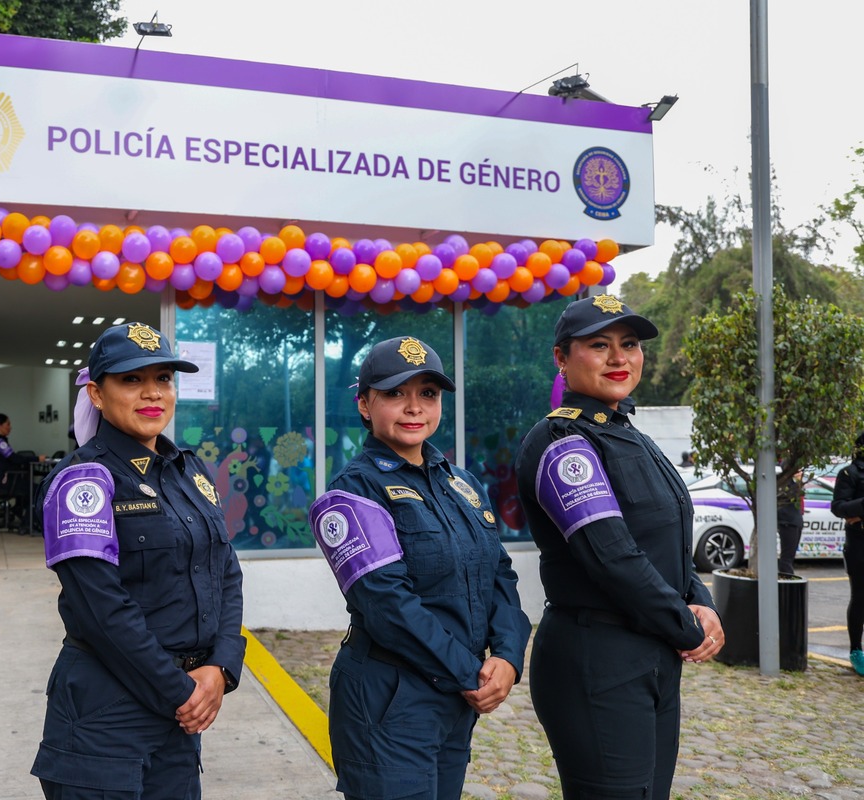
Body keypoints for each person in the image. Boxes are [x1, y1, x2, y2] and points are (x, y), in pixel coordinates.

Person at [514, 294, 724, 800]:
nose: (619, 358)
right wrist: (687, 626)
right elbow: (613, 557)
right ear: (562, 357)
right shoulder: (562, 442)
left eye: (629, 345)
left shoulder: (631, 435)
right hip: (597, 660)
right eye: (599, 345)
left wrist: (701, 599)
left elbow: (666, 538)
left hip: (652, 654)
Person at [308, 336, 531, 800]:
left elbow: (499, 576)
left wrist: (508, 656)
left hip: (451, 698)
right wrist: (470, 674)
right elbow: (389, 607)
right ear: (365, 405)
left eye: (427, 393)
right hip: (390, 700)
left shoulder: (461, 483)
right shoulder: (352, 493)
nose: (414, 407)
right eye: (395, 393)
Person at [31, 322, 246, 800]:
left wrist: (221, 667)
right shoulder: (82, 482)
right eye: (131, 380)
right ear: (98, 394)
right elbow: (102, 610)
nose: (152, 393)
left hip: (180, 713)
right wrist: (182, 691)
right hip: (106, 718)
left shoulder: (189, 471)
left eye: (163, 379)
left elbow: (224, 572)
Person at [830, 432, 864, 677]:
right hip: (859, 543)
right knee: (860, 597)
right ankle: (856, 650)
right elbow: (839, 507)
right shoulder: (849, 473)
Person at [0, 413, 45, 527]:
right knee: (36, 490)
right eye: (7, 424)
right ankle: (28, 523)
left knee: (28, 487)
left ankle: (18, 511)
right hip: (3, 481)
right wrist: (37, 458)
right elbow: (14, 458)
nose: (10, 427)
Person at [777, 460, 804, 576]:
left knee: (790, 554)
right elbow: (792, 496)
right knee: (787, 556)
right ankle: (786, 578)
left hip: (795, 520)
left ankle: (787, 576)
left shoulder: (792, 482)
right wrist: (798, 483)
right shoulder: (783, 482)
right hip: (788, 521)